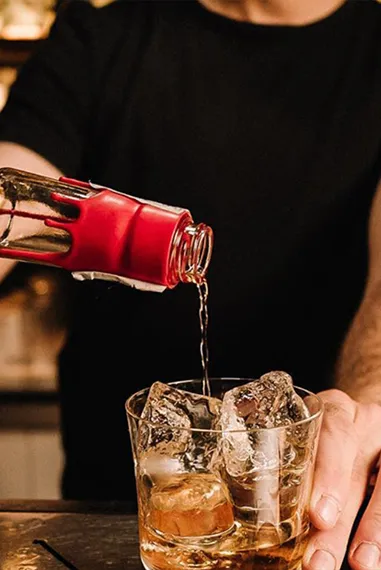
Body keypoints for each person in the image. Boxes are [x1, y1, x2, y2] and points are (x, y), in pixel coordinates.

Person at [1, 0, 381, 568]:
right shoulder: (100, 35)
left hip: (315, 526)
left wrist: (370, 413)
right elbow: (17, 187)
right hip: (111, 533)